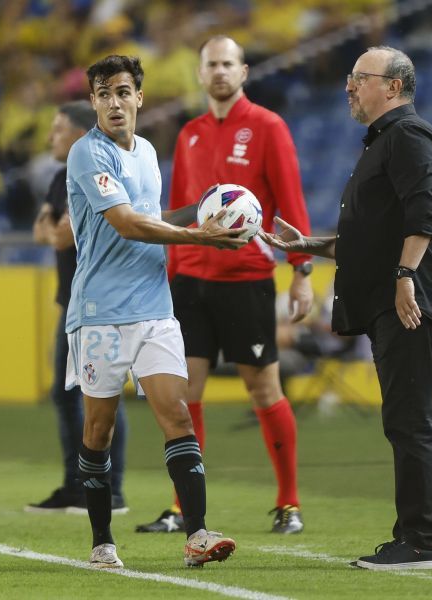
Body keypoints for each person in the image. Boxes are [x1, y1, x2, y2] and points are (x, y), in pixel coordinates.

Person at [262, 46, 432, 570]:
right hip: (397, 296)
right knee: (403, 419)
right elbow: (373, 237)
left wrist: (404, 276)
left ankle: (422, 544)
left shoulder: (408, 136)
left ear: (392, 87)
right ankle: (413, 539)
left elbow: (427, 213)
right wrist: (305, 245)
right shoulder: (386, 140)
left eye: (360, 78)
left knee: (409, 421)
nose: (349, 86)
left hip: (413, 299)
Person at [65, 55, 245, 568]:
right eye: (104, 93)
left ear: (139, 98)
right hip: (99, 313)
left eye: (123, 92)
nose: (114, 102)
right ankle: (102, 542)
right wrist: (200, 236)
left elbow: (152, 217)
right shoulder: (86, 154)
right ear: (93, 102)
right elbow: (126, 224)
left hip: (153, 308)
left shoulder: (145, 152)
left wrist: (211, 208)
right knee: (99, 431)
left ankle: (199, 535)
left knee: (177, 414)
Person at [136, 35, 313, 535]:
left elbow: (289, 200)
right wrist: (167, 273)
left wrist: (301, 271)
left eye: (227, 64)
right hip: (191, 278)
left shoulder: (267, 127)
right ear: (199, 73)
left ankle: (289, 502)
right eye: (211, 64)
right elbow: (178, 208)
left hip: (247, 278)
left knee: (262, 387)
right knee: (182, 393)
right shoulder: (189, 133)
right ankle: (181, 508)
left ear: (244, 71)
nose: (219, 72)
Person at [27, 101, 128, 515]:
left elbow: (61, 237)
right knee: (66, 394)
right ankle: (76, 485)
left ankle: (110, 489)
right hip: (72, 301)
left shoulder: (94, 171)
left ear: (80, 133)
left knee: (98, 395)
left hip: (98, 300)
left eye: (58, 128)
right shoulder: (59, 177)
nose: (51, 136)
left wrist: (54, 228)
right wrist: (54, 227)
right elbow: (41, 232)